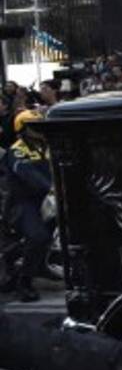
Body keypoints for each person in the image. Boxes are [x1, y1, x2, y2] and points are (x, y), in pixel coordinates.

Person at [1, 110, 52, 302]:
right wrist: (51, 187)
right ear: (22, 129)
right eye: (33, 126)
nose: (39, 129)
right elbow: (30, 175)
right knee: (39, 237)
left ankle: (40, 265)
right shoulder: (18, 150)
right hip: (22, 203)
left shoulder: (46, 146)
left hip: (46, 201)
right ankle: (24, 282)